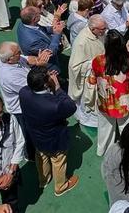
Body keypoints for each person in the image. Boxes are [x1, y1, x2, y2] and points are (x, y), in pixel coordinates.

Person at [19, 67, 79, 197]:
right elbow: (70, 106)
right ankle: (60, 186)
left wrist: (47, 82)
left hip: (36, 137)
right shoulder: (54, 106)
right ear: (46, 84)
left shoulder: (23, 92)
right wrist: (56, 86)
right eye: (49, 76)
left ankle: (44, 180)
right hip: (54, 140)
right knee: (58, 161)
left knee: (41, 157)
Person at [90, 30, 129, 157]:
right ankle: (127, 151)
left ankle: (102, 150)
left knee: (105, 129)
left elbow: (92, 79)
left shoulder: (97, 61)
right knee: (126, 128)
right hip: (124, 103)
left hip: (105, 102)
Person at [68, 15, 108, 128]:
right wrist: (93, 63)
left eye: (105, 28)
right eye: (102, 29)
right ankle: (88, 120)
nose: (104, 31)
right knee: (89, 101)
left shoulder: (99, 33)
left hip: (99, 74)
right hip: (88, 77)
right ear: (92, 29)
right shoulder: (82, 41)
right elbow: (74, 66)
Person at [0, 42, 33, 132]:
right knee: (28, 135)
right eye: (18, 53)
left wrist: (38, 59)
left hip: (25, 105)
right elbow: (32, 88)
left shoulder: (8, 60)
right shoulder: (10, 77)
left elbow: (28, 59)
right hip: (21, 110)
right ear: (9, 59)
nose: (21, 53)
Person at [16, 6, 65, 73]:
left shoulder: (24, 23)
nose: (41, 13)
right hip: (49, 65)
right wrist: (57, 34)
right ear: (34, 19)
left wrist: (52, 29)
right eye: (39, 14)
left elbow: (40, 28)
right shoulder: (33, 41)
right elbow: (50, 52)